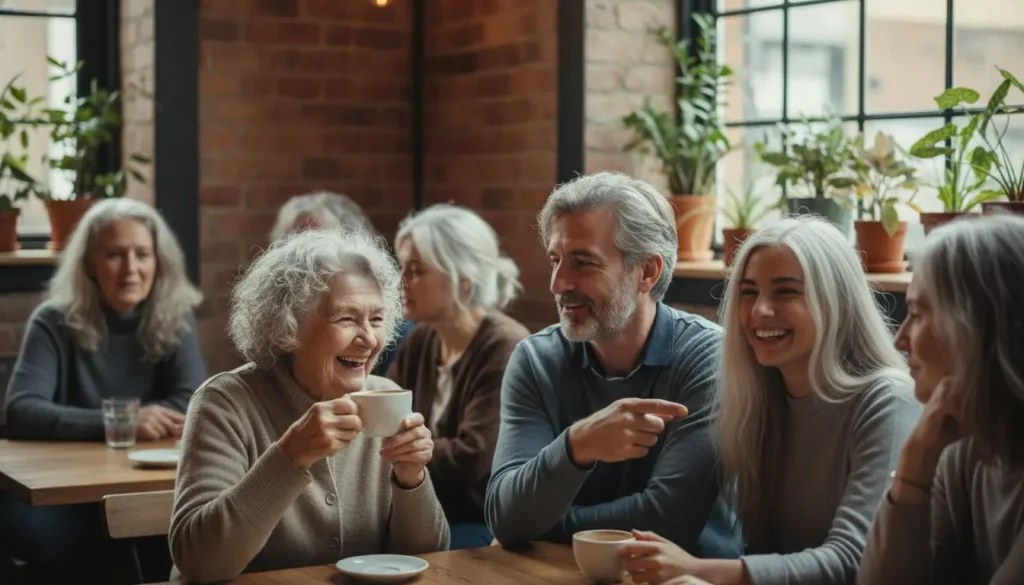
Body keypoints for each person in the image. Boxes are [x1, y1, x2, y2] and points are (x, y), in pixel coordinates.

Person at [618, 216, 921, 585]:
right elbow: (762, 552)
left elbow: (853, 561)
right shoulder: (757, 402)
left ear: (835, 301)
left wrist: (697, 570)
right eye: (748, 292)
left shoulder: (888, 399)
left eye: (786, 291)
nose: (760, 310)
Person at [169, 228, 449, 584]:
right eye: (347, 318)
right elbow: (200, 563)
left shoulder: (386, 398)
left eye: (376, 319)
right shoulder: (224, 403)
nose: (368, 338)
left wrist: (412, 479)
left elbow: (432, 558)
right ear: (288, 326)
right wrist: (289, 456)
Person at [484, 171, 734, 554]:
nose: (557, 283)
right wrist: (577, 445)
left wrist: (542, 524)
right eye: (556, 259)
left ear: (647, 272)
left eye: (582, 263)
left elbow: (668, 520)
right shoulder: (536, 360)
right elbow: (505, 514)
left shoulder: (707, 358)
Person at [1, 197, 206, 583]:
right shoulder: (53, 321)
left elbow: (192, 403)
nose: (131, 268)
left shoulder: (175, 316)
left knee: (180, 537)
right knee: (92, 547)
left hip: (146, 485)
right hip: (61, 494)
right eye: (115, 254)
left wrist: (134, 422)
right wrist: (128, 421)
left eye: (142, 254)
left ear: (158, 262)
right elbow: (23, 410)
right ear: (90, 265)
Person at [858, 213, 1024, 585]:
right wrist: (914, 469)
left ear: (976, 328)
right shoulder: (962, 444)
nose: (900, 341)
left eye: (915, 313)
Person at [388, 204, 530, 550]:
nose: (401, 281)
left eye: (416, 269)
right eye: (402, 267)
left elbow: (473, 457)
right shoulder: (421, 337)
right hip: (418, 508)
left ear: (462, 276)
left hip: (479, 523)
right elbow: (386, 415)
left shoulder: (506, 345)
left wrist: (401, 448)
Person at [269, 190, 410, 376]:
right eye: (296, 242)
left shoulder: (398, 335)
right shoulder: (278, 320)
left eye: (318, 239)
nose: (306, 256)